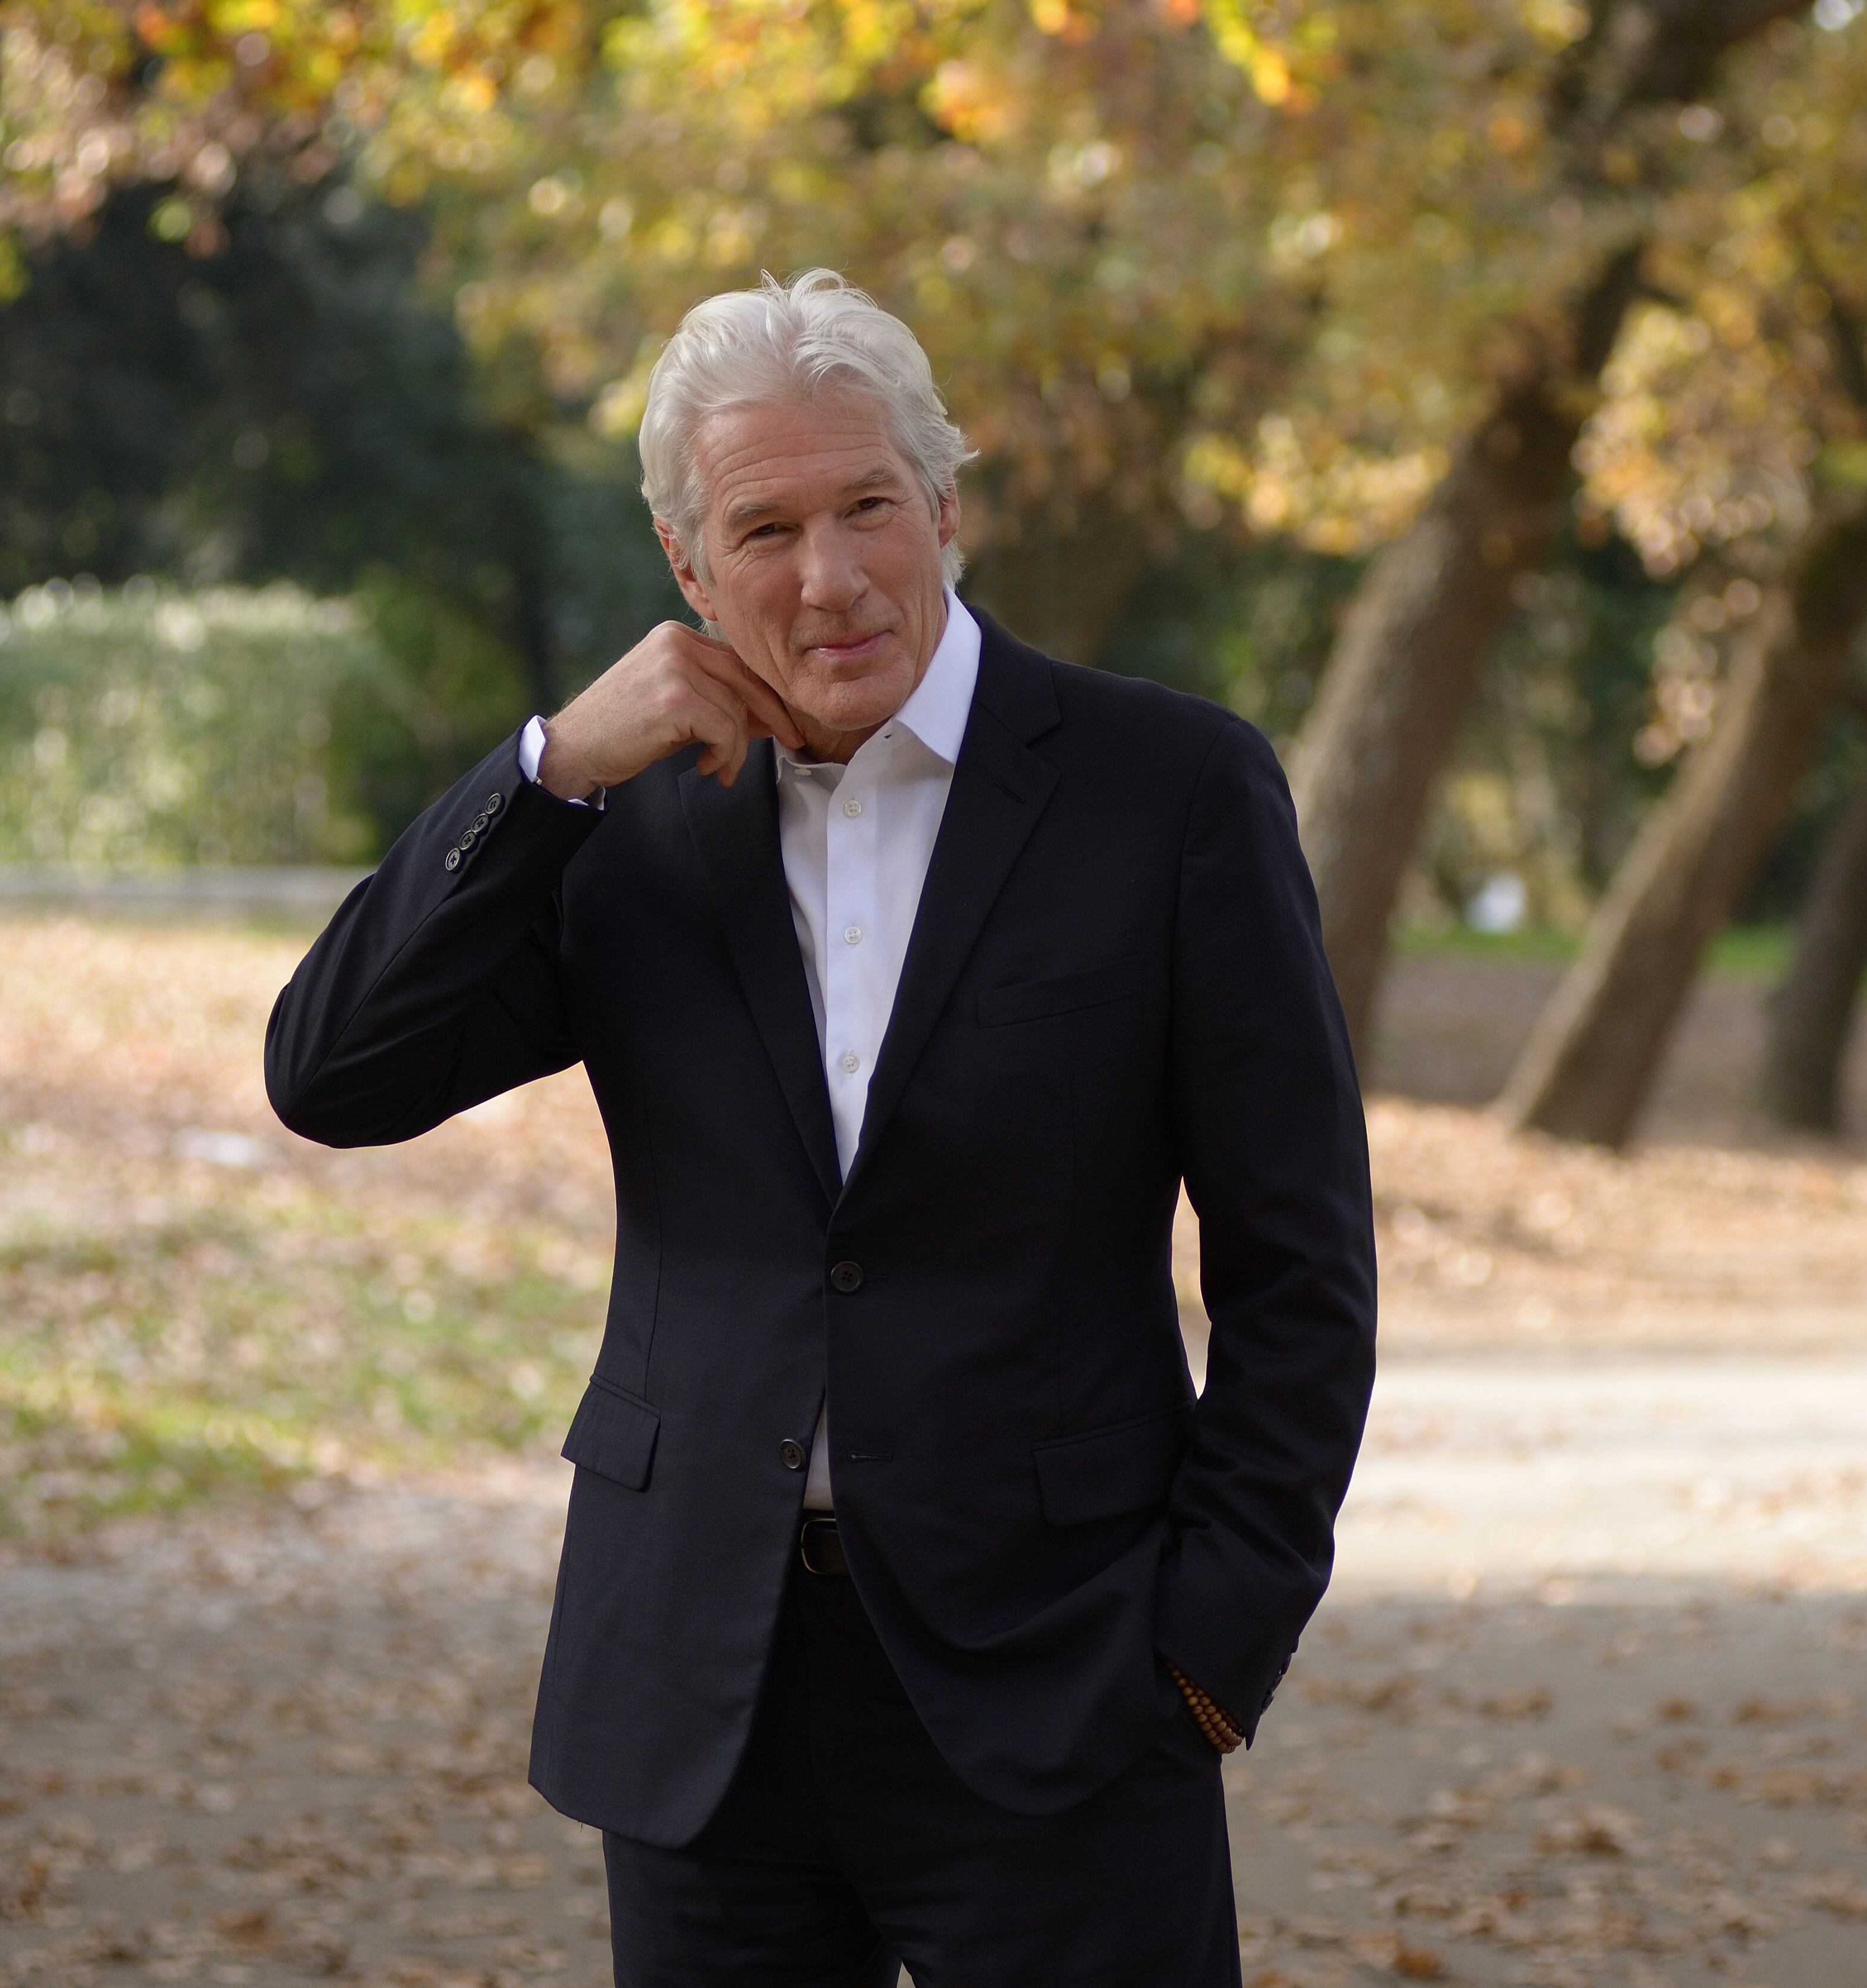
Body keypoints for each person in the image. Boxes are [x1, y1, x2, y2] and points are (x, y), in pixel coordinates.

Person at [266, 270, 1377, 1987]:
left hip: (1068, 1678)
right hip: (703, 1686)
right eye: (764, 528)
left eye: (868, 506)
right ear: (688, 571)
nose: (831, 575)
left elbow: (1302, 1263)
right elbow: (330, 1073)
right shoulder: (620, 820)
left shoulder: (1170, 791)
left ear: (948, 503)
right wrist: (552, 766)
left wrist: (1211, 1645)